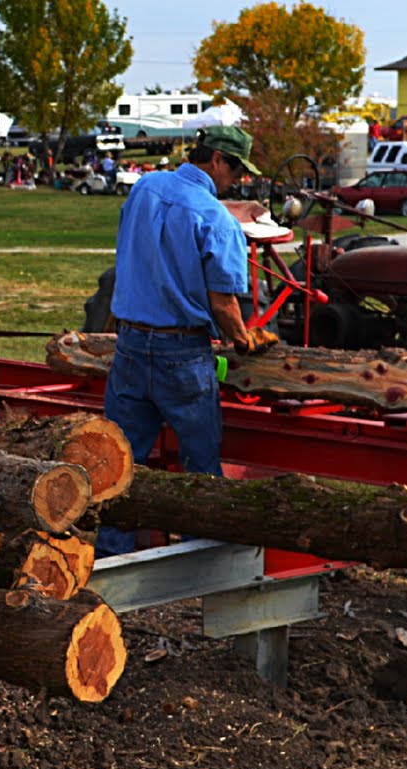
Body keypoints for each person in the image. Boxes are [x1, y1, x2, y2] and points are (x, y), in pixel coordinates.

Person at [97, 125, 259, 556]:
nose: (237, 179)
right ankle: (199, 555)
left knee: (118, 461)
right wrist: (244, 341)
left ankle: (111, 555)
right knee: (200, 463)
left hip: (130, 346)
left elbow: (129, 256)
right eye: (236, 169)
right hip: (182, 357)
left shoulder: (145, 189)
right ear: (218, 160)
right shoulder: (216, 219)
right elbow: (224, 304)